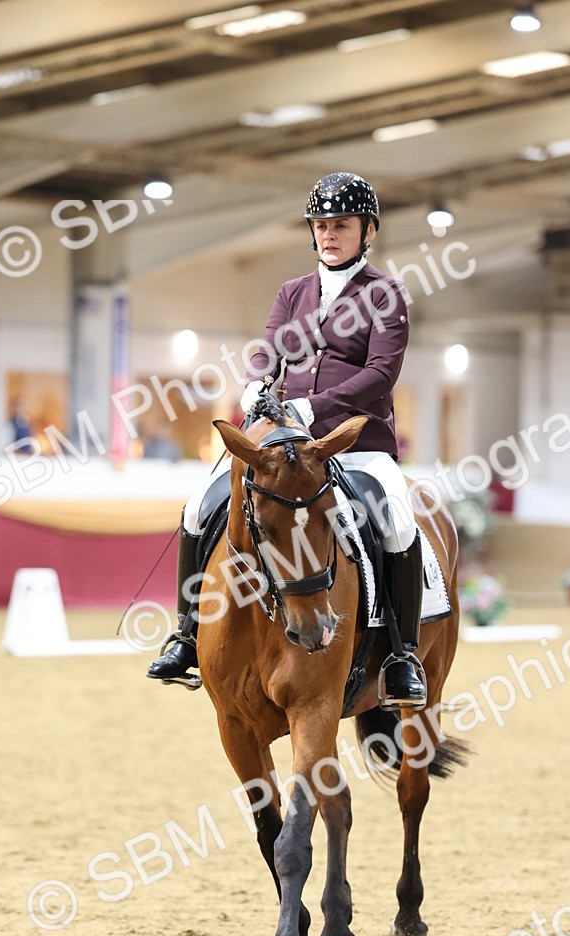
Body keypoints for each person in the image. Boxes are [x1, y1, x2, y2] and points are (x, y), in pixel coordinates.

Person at [148, 172, 431, 707]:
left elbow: (380, 373)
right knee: (196, 508)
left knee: (395, 519)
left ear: (367, 230)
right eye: (321, 226)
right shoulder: (292, 292)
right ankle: (187, 633)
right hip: (286, 443)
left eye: (340, 225)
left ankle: (401, 654)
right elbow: (268, 351)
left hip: (358, 442)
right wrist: (258, 378)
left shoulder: (385, 294)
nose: (329, 235)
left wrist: (312, 406)